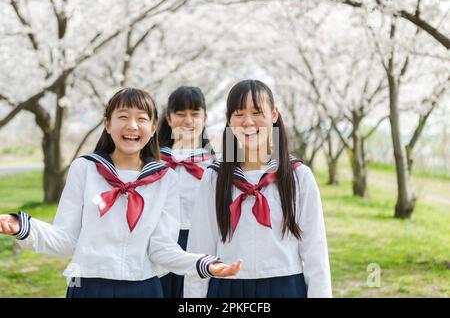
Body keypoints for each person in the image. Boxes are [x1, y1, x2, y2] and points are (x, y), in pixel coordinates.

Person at [0, 87, 241, 298]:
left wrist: (203, 263)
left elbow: (161, 249)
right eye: (123, 117)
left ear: (154, 127)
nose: (132, 126)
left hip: (144, 288)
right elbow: (66, 239)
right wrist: (22, 226)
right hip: (88, 284)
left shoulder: (165, 178)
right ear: (107, 123)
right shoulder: (85, 169)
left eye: (142, 119)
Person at [184, 80, 331, 298]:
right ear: (229, 119)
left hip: (286, 286)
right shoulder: (215, 177)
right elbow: (199, 250)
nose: (248, 121)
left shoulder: (298, 176)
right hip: (227, 288)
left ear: (273, 115)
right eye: (239, 113)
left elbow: (315, 253)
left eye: (257, 112)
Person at [157, 86, 215, 298]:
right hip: (160, 240)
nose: (188, 120)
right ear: (169, 119)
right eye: (180, 114)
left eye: (195, 114)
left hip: (200, 241)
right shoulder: (153, 162)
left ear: (205, 117)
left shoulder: (215, 165)